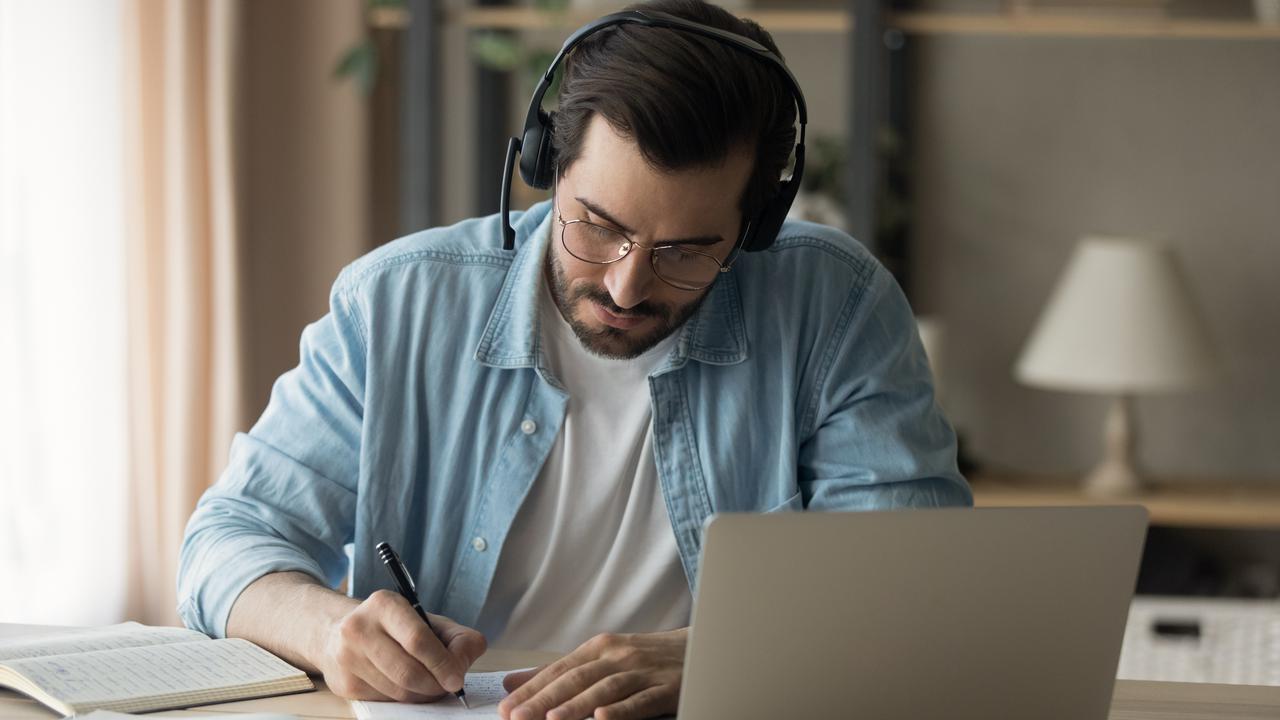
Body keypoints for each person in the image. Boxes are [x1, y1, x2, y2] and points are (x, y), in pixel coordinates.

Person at [177, 1, 971, 718]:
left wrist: (715, 657)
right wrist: (331, 631)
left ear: (755, 228)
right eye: (594, 224)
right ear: (546, 168)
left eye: (686, 251)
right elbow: (227, 541)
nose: (627, 284)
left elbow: (914, 583)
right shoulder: (395, 305)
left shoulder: (837, 305)